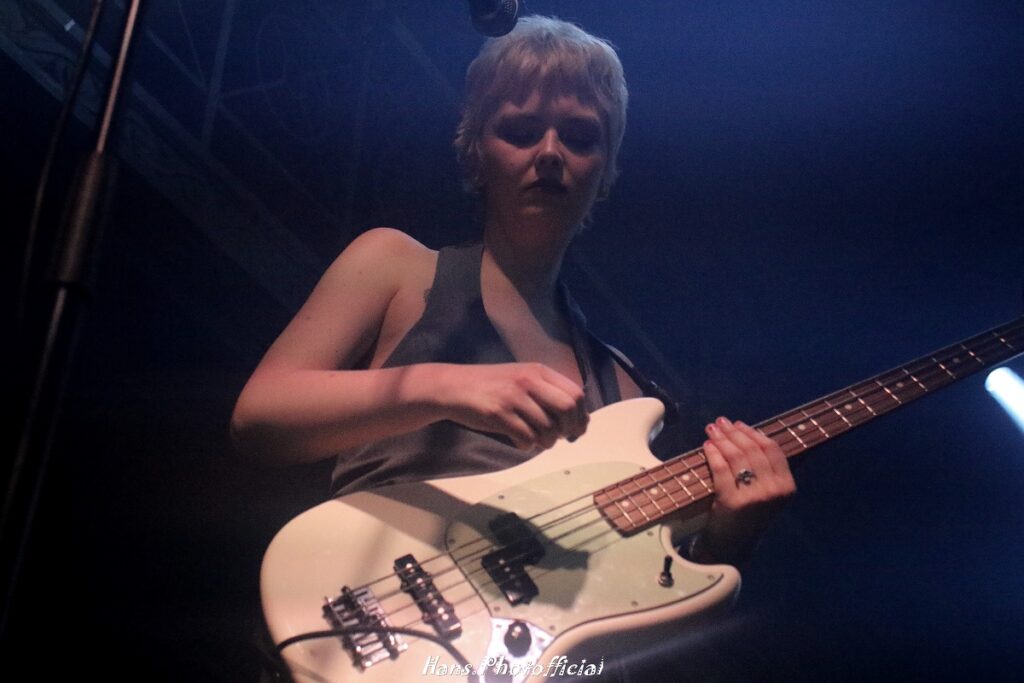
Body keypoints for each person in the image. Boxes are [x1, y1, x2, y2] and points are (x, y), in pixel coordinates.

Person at [230, 16, 794, 565]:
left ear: (606, 170)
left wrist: (726, 541)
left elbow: (637, 585)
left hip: (534, 632)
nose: (549, 152)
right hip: (368, 591)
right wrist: (447, 386)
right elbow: (258, 419)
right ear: (476, 151)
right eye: (521, 132)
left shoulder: (624, 385)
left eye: (580, 137)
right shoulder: (396, 265)